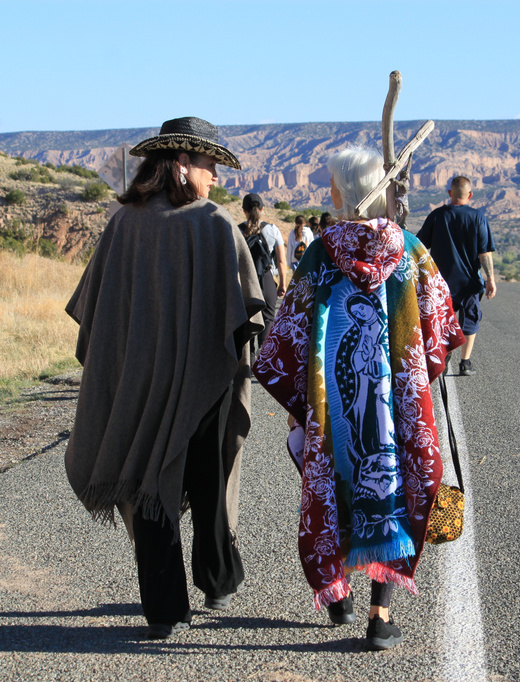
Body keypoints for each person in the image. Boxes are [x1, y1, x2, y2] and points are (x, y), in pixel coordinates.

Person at [252, 146, 465, 651]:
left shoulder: (320, 254)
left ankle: (338, 595)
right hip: (396, 407)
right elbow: (441, 327)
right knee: (391, 488)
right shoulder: (412, 251)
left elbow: (289, 336)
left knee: (333, 483)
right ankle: (379, 614)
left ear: (338, 194)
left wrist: (298, 401)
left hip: (333, 410)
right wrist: (415, 379)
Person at [63, 117, 265, 640]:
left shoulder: (123, 223)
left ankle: (163, 608)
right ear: (181, 164)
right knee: (207, 478)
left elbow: (96, 313)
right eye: (209, 164)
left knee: (149, 479)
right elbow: (246, 314)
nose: (216, 176)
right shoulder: (216, 225)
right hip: (206, 384)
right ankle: (216, 577)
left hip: (138, 383)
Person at [416, 175, 496, 376]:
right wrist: (491, 279)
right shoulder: (478, 218)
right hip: (470, 282)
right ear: (470, 195)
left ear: (450, 193)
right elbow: (484, 253)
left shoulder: (437, 216)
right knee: (470, 320)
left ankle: (442, 360)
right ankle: (465, 363)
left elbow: (420, 246)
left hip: (441, 283)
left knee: (442, 322)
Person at [239, 193, 288, 349]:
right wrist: (282, 284)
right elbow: (281, 260)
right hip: (266, 279)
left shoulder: (237, 230)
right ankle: (264, 359)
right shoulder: (272, 230)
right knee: (267, 319)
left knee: (245, 321)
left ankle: (248, 361)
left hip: (244, 281)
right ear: (262, 209)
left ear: (244, 210)